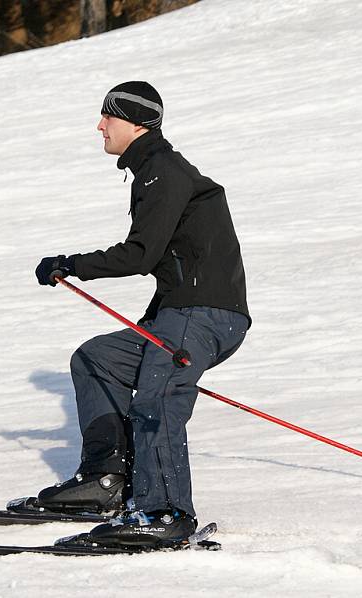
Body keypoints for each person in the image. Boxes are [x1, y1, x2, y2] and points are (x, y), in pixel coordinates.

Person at [33, 81, 251, 548]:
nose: (99, 126)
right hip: (180, 312)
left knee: (158, 397)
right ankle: (105, 481)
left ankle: (165, 512)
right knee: (97, 358)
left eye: (106, 118)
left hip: (203, 313)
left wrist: (72, 264)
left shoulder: (164, 171)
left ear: (134, 122)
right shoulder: (152, 170)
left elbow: (141, 254)